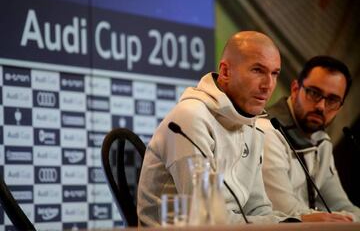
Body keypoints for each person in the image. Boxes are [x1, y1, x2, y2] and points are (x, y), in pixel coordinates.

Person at [137, 31, 291, 226]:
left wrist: (292, 222)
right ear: (226, 72)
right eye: (258, 70)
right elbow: (206, 217)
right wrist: (285, 223)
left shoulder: (252, 124)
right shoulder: (190, 118)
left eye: (274, 73)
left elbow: (258, 207)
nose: (268, 85)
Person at [257, 55, 360, 222]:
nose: (320, 106)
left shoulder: (322, 141)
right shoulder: (267, 130)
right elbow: (286, 211)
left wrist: (347, 218)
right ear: (295, 89)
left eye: (332, 100)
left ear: (341, 106)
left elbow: (341, 204)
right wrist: (342, 219)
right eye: (314, 93)